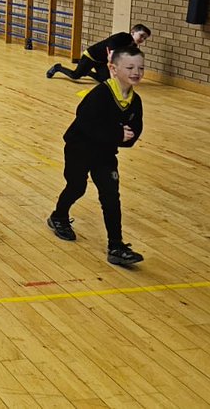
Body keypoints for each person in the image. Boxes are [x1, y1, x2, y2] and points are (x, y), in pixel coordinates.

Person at [47, 45, 146, 266]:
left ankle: (116, 246)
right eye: (129, 67)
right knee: (76, 187)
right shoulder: (100, 94)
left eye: (140, 67)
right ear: (113, 68)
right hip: (79, 148)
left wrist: (124, 137)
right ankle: (58, 216)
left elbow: (134, 130)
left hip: (105, 153)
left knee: (111, 196)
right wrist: (116, 133)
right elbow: (85, 123)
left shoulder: (135, 101)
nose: (136, 72)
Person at [47, 24, 151, 83]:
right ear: (133, 32)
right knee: (75, 76)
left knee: (104, 80)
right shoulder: (123, 36)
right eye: (141, 36)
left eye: (145, 38)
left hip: (101, 61)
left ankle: (87, 72)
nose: (142, 39)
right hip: (91, 56)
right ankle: (58, 67)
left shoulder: (133, 46)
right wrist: (112, 53)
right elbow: (111, 43)